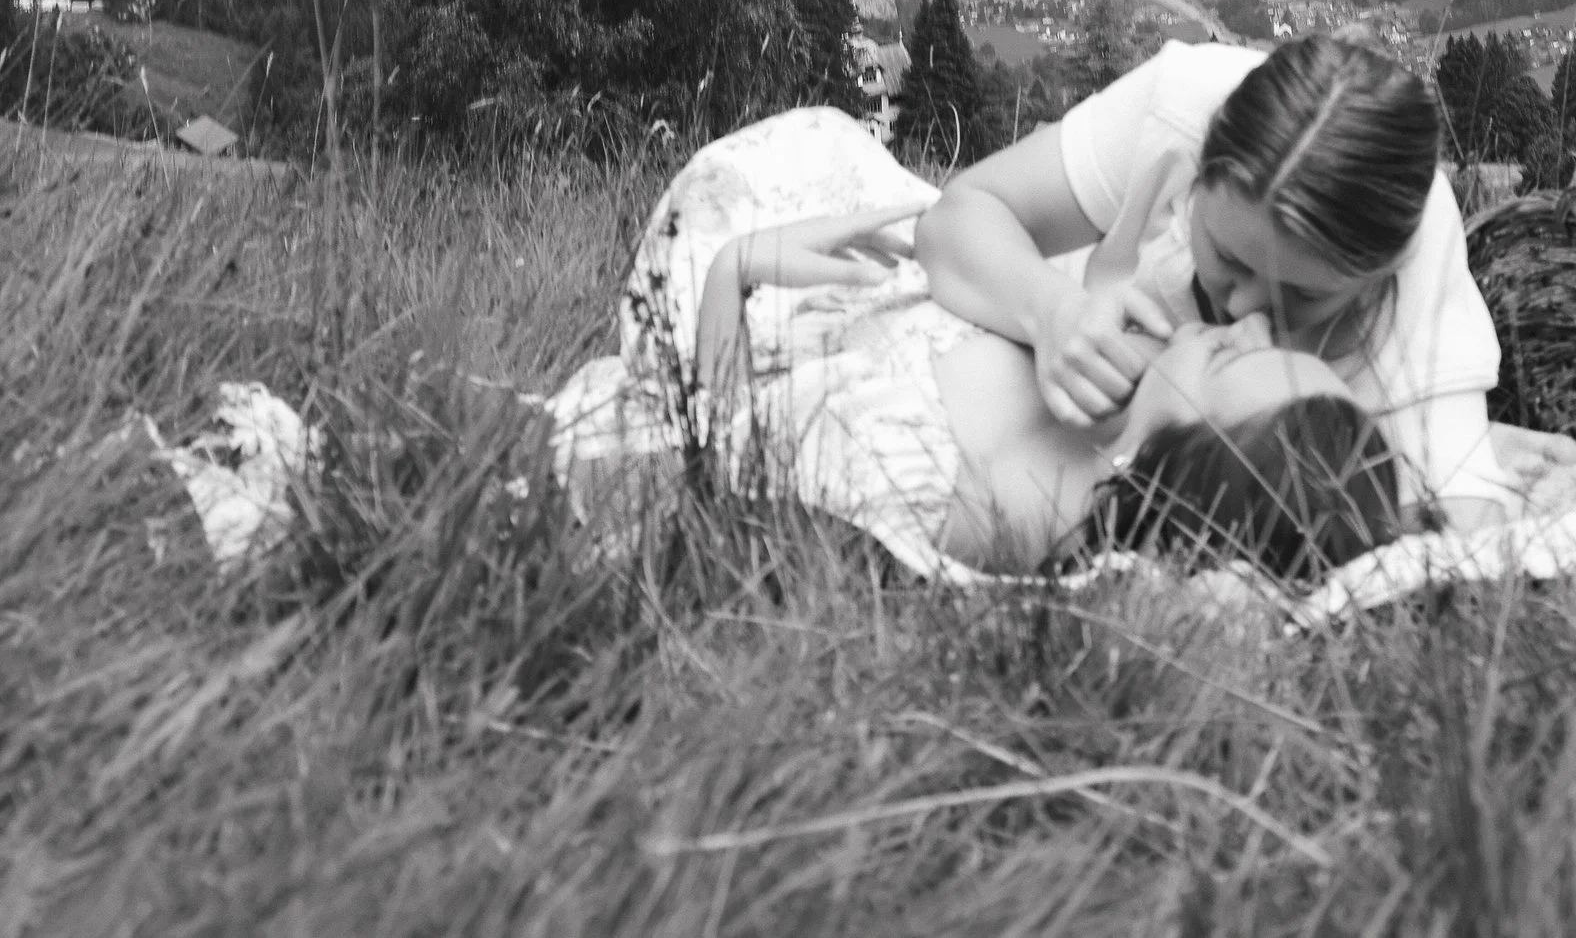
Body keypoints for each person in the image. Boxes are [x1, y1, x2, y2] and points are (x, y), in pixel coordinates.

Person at [557, 108, 1402, 582]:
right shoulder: (1129, 398)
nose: (1246, 321)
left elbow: (706, 470)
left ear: (1161, 461)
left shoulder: (936, 486)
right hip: (886, 253)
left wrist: (734, 274)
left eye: (1231, 355)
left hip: (758, 278)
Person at [915, 34, 1517, 532]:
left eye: (1303, 294)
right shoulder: (1181, 103)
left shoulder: (1418, 248)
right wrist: (1049, 310)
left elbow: (1464, 517)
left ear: (1379, 275)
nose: (1247, 312)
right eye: (1228, 257)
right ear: (1196, 173)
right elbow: (956, 219)